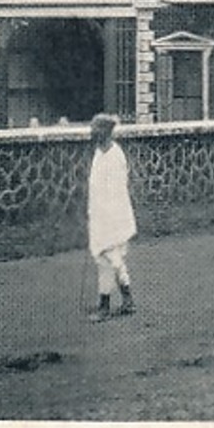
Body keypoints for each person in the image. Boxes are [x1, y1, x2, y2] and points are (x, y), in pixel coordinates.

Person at [86, 114, 138, 322]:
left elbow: (116, 192)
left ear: (105, 133)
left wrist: (107, 219)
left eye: (96, 131)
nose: (93, 135)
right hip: (99, 216)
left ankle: (105, 305)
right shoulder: (99, 153)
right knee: (111, 260)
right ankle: (127, 300)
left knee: (108, 260)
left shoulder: (115, 156)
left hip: (113, 217)